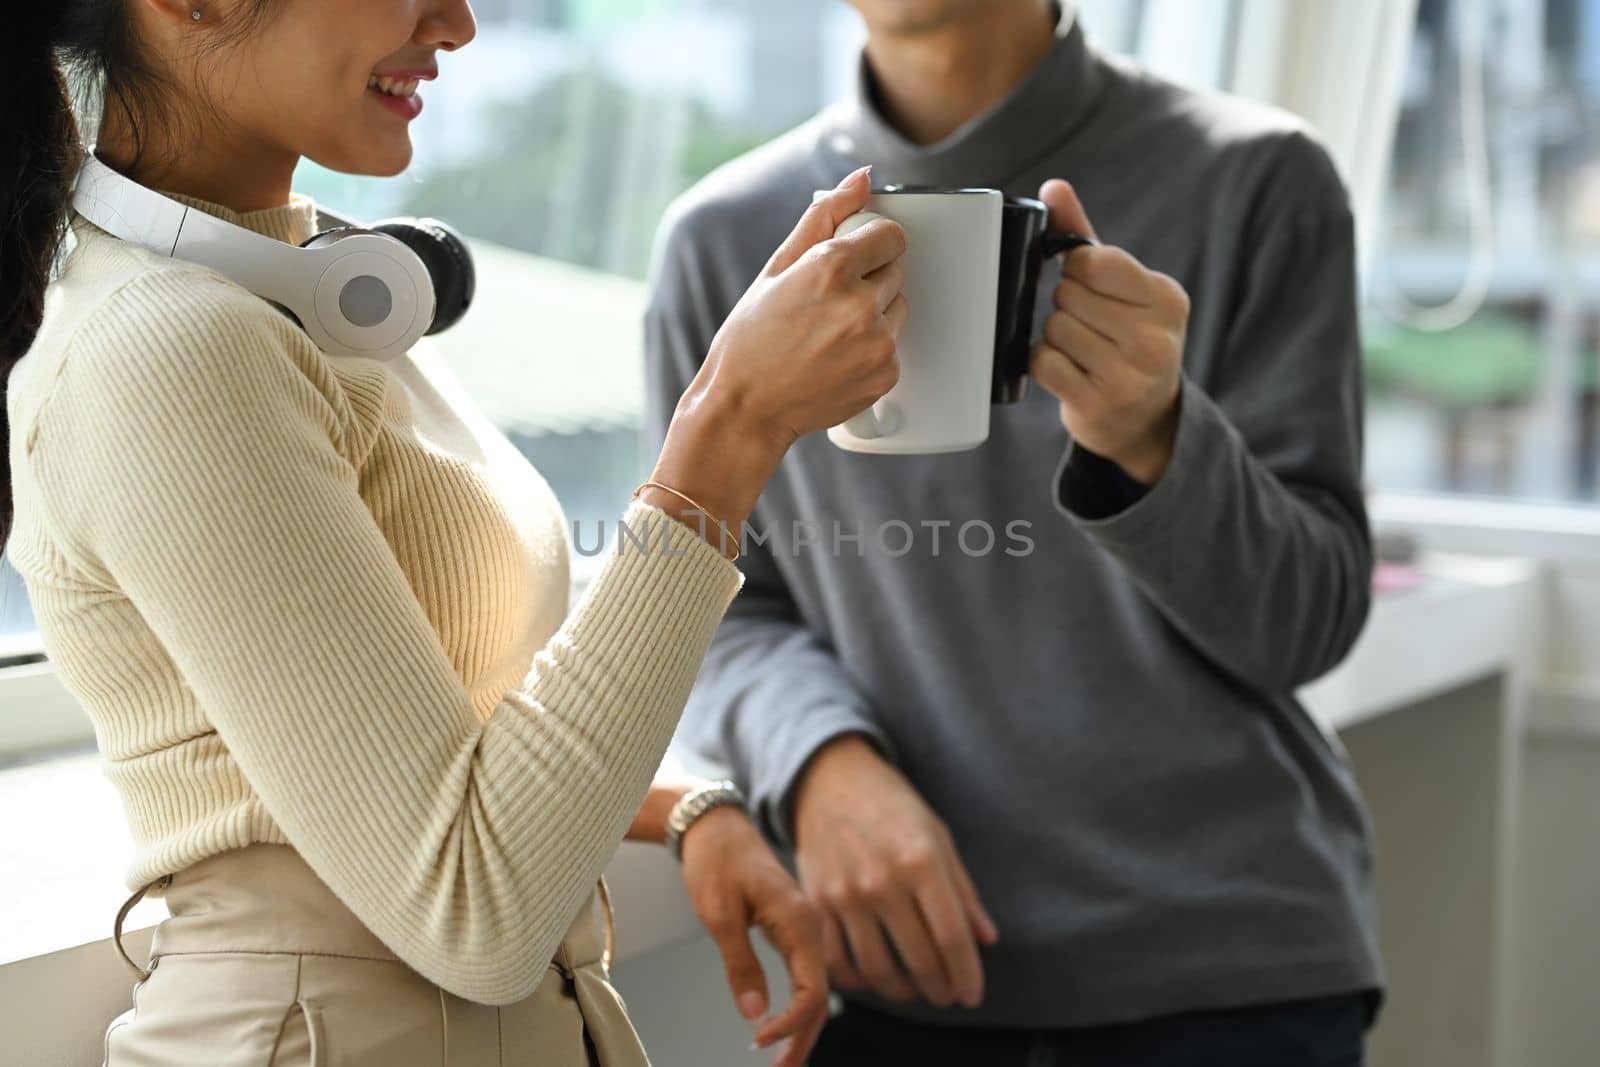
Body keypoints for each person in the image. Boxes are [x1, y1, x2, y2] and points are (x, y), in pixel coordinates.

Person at [0, 2, 914, 1065]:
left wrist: (674, 804)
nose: (460, 22)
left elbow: (406, 749)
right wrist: (733, 425)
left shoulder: (290, 283)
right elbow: (475, 911)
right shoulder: (167, 346)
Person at [645, 1, 1382, 1064]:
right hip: (893, 979)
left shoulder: (1256, 176)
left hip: (1228, 978)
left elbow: (1306, 623)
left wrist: (1152, 437)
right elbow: (710, 599)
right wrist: (819, 762)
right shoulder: (721, 240)